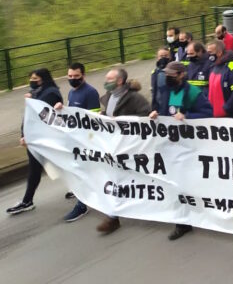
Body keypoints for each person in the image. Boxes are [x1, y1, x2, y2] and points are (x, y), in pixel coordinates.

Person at [149, 61, 212, 241]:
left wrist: (188, 117)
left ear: (182, 74)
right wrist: (155, 115)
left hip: (188, 146)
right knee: (174, 184)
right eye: (166, 74)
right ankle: (182, 221)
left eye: (171, 75)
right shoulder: (165, 90)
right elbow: (162, 110)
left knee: (187, 183)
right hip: (169, 145)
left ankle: (193, 217)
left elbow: (208, 113)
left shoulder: (193, 93)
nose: (167, 77)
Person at [96, 68, 151, 234]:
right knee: (115, 180)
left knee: (139, 179)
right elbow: (110, 114)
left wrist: (123, 122)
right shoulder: (108, 97)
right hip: (115, 147)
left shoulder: (135, 98)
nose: (106, 81)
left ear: (119, 81)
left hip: (132, 147)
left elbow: (145, 116)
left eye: (109, 78)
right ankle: (112, 217)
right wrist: (103, 115)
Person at [6, 68, 62, 216]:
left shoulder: (50, 93)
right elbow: (29, 117)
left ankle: (27, 201)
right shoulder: (37, 93)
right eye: (31, 79)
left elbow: (40, 117)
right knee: (35, 169)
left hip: (43, 139)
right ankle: (27, 201)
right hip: (35, 139)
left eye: (36, 79)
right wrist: (24, 134)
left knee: (57, 165)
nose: (32, 82)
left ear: (44, 79)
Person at [56, 62, 100, 222]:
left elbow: (94, 121)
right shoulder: (71, 93)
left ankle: (82, 205)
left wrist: (87, 142)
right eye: (70, 76)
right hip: (75, 140)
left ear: (84, 76)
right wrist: (62, 109)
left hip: (86, 142)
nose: (73, 79)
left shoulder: (91, 93)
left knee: (84, 172)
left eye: (76, 76)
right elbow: (72, 115)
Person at [206, 39, 233, 119]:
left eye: (210, 52)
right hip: (215, 113)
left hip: (229, 115)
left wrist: (227, 108)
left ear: (219, 52)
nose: (208, 55)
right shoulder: (214, 66)